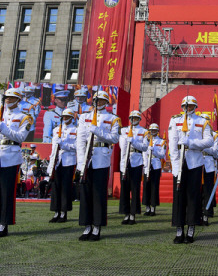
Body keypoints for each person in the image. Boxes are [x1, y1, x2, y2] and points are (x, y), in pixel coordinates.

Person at [0, 88, 33, 237]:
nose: (7, 100)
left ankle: (3, 225)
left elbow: (20, 137)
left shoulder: (25, 117)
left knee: (6, 192)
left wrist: (3, 127)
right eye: (6, 97)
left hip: (10, 157)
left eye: (11, 98)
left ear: (18, 100)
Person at [76, 90, 120, 241]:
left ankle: (97, 227)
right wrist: (81, 162)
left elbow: (114, 138)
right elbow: (80, 140)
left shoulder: (113, 119)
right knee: (86, 194)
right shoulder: (84, 117)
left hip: (101, 158)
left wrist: (98, 131)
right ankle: (87, 226)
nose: (98, 103)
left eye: (101, 101)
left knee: (99, 194)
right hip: (87, 159)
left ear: (106, 103)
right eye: (96, 100)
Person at [169, 95, 213, 244]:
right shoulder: (175, 120)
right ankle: (179, 229)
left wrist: (192, 143)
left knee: (193, 196)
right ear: (181, 106)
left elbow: (209, 141)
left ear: (195, 107)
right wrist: (175, 164)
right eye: (186, 106)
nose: (188, 108)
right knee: (179, 196)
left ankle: (191, 228)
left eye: (191, 106)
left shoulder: (202, 121)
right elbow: (172, 143)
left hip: (194, 162)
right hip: (179, 163)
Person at [119, 110, 149, 225]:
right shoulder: (124, 130)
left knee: (135, 188)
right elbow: (122, 146)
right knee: (125, 188)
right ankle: (126, 213)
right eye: (131, 118)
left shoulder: (144, 132)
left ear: (139, 119)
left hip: (137, 160)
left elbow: (145, 147)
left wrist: (134, 142)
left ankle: (133, 214)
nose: (133, 120)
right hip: (125, 160)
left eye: (136, 118)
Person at [47, 108, 77, 223]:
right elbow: (53, 148)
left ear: (71, 118)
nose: (65, 119)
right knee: (56, 187)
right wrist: (51, 164)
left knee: (65, 188)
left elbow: (75, 146)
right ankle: (56, 212)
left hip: (68, 161)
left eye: (67, 117)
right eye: (63, 117)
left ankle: (64, 213)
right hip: (57, 161)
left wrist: (64, 145)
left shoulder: (75, 130)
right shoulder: (56, 130)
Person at [198, 114, 218, 226]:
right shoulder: (196, 133)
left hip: (209, 165)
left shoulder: (215, 135)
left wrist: (202, 146)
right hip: (197, 163)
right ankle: (196, 214)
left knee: (207, 191)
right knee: (197, 191)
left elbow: (215, 151)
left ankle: (206, 215)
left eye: (207, 120)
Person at [142, 123, 167, 216]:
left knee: (154, 187)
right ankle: (147, 207)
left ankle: (153, 208)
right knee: (146, 186)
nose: (153, 132)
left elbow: (162, 155)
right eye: (151, 130)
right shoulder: (146, 140)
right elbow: (144, 153)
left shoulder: (162, 142)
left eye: (154, 130)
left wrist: (154, 150)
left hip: (156, 165)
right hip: (147, 165)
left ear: (157, 131)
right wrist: (145, 163)